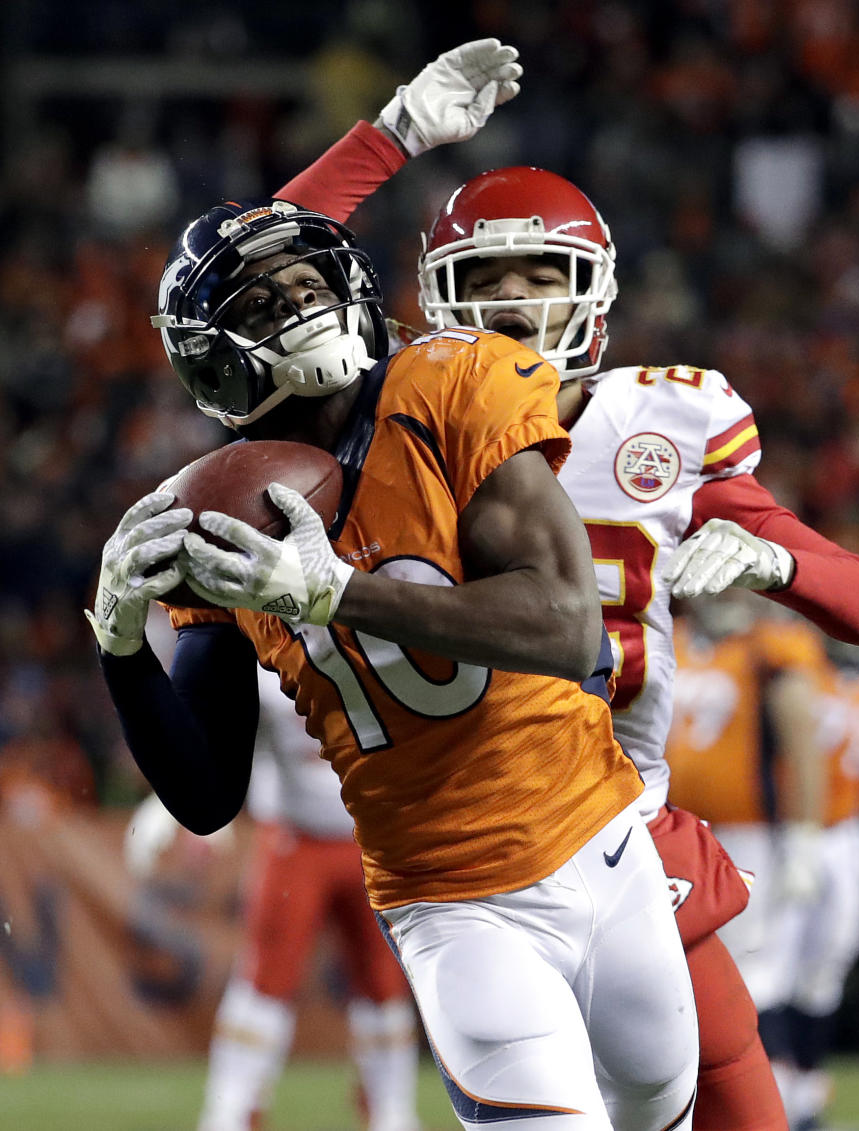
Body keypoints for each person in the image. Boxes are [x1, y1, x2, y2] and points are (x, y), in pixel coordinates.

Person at [271, 50, 859, 1131]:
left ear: (596, 294)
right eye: (490, 282)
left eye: (541, 279)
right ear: (435, 303)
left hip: (625, 823)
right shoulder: (398, 422)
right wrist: (387, 138)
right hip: (474, 829)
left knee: (733, 1098)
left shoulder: (656, 425)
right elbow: (257, 280)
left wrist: (773, 559)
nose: (516, 309)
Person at [86, 185, 700, 1131]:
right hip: (454, 903)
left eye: (303, 282)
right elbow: (207, 794)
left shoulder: (452, 384)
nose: (293, 306)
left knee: (665, 1111)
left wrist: (340, 596)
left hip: (605, 843)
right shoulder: (212, 511)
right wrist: (122, 651)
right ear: (210, 356)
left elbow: (567, 624)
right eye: (258, 303)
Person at [124, 653, 420, 1131]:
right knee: (265, 980)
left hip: (372, 836)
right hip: (294, 836)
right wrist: (181, 805)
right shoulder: (264, 652)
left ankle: (392, 1112)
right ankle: (231, 1110)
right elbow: (215, 730)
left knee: (383, 985)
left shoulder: (371, 636)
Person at [748, 639, 859, 1131]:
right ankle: (776, 1086)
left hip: (849, 834)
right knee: (770, 961)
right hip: (793, 828)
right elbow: (765, 748)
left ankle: (808, 1083)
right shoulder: (794, 663)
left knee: (829, 963)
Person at [665, 594, 827, 1008]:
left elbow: (802, 747)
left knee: (743, 962)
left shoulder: (768, 648)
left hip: (745, 833)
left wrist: (804, 838)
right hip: (666, 824)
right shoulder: (669, 638)